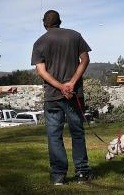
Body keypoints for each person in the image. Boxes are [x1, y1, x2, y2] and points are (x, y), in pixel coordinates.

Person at [31, 10, 92, 185]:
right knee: (77, 133)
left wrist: (60, 86)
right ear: (60, 21)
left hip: (52, 97)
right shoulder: (75, 36)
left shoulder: (39, 42)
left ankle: (58, 176)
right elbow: (85, 59)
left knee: (54, 136)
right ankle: (82, 174)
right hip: (74, 95)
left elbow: (41, 71)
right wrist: (71, 83)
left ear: (44, 24)